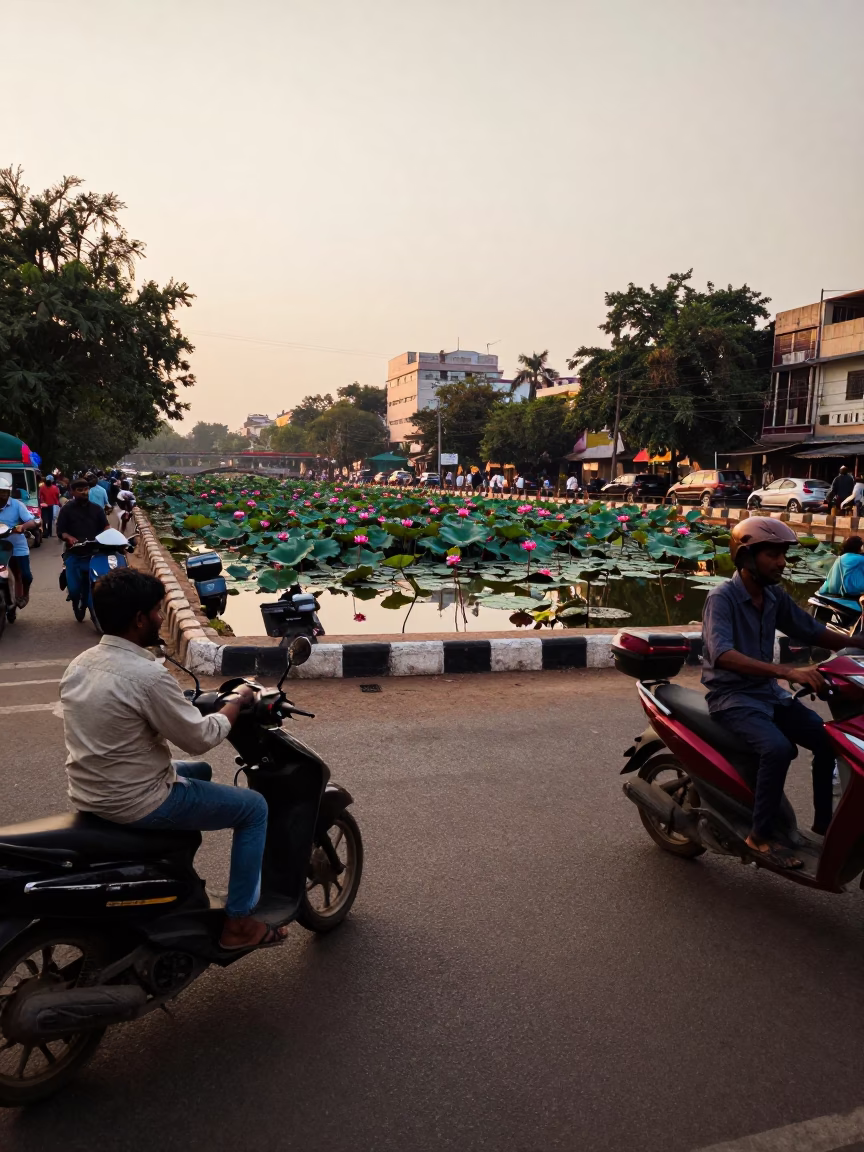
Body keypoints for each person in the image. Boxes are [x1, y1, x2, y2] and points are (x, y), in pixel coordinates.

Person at [60, 568, 286, 951]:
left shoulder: (81, 663)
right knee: (254, 808)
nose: (161, 618)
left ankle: (173, 875)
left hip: (92, 788)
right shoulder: (146, 676)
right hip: (136, 800)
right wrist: (236, 702)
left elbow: (124, 719)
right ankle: (239, 924)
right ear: (139, 619)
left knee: (199, 774)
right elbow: (200, 737)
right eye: (156, 611)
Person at [701, 516, 864, 869]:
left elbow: (811, 630)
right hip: (731, 698)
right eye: (772, 555)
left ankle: (824, 822)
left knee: (828, 740)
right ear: (746, 558)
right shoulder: (722, 598)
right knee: (777, 750)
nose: (781, 563)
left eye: (782, 555)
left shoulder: (774, 596)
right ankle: (758, 837)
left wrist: (855, 643)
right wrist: (788, 671)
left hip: (768, 694)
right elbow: (722, 655)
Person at [57, 477, 110, 605]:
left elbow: (106, 526)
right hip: (74, 552)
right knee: (74, 592)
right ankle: (71, 587)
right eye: (80, 490)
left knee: (105, 585)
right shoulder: (66, 509)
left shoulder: (97, 509)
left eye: (86, 489)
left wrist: (108, 534)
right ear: (72, 492)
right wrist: (69, 538)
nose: (84, 492)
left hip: (95, 552)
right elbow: (61, 531)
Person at [0, 472, 39, 609]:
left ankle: (24, 595)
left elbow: (31, 522)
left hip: (17, 545)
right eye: (0, 492)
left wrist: (22, 526)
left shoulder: (17, 505)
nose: (3, 495)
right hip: (1, 547)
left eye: (5, 492)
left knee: (26, 575)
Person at [818, 535, 864, 600]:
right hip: (853, 593)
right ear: (859, 547)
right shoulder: (861, 559)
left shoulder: (840, 558)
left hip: (833, 591)